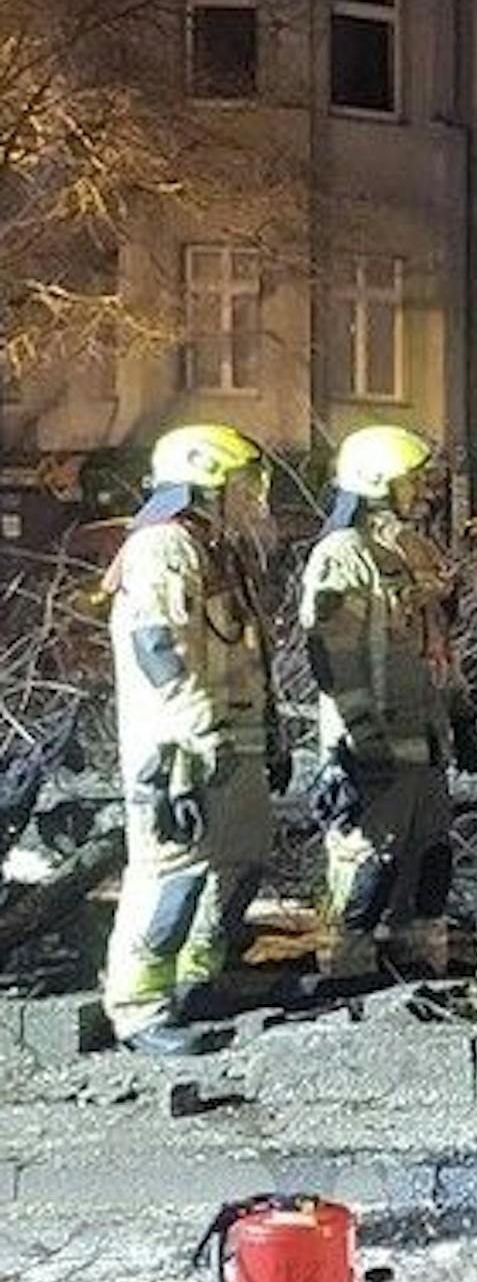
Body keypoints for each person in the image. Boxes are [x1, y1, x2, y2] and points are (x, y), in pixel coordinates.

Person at [103, 423, 287, 1055]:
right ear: (207, 481)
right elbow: (158, 648)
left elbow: (245, 652)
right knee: (170, 874)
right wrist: (195, 729)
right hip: (178, 749)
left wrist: (273, 731)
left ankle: (196, 981)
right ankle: (139, 1009)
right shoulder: (161, 548)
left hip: (230, 741)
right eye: (242, 484)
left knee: (240, 859)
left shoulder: (215, 548)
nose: (251, 496)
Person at [301, 424, 477, 979]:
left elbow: (437, 647)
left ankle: (417, 968)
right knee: (366, 866)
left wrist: (462, 717)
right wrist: (359, 739)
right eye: (413, 481)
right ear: (379, 483)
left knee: (429, 862)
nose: (424, 491)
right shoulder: (342, 556)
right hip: (372, 744)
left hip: (425, 741)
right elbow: (334, 658)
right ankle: (345, 977)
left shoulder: (415, 551)